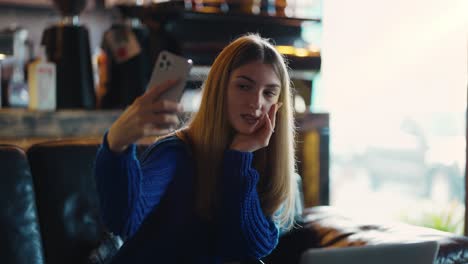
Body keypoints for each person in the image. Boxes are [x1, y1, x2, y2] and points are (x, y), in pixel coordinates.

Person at [94, 33, 298, 263]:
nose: (257, 103)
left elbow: (248, 246)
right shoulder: (176, 152)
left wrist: (238, 157)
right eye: (244, 86)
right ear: (219, 89)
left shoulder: (260, 162)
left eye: (269, 92)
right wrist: (116, 145)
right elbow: (124, 220)